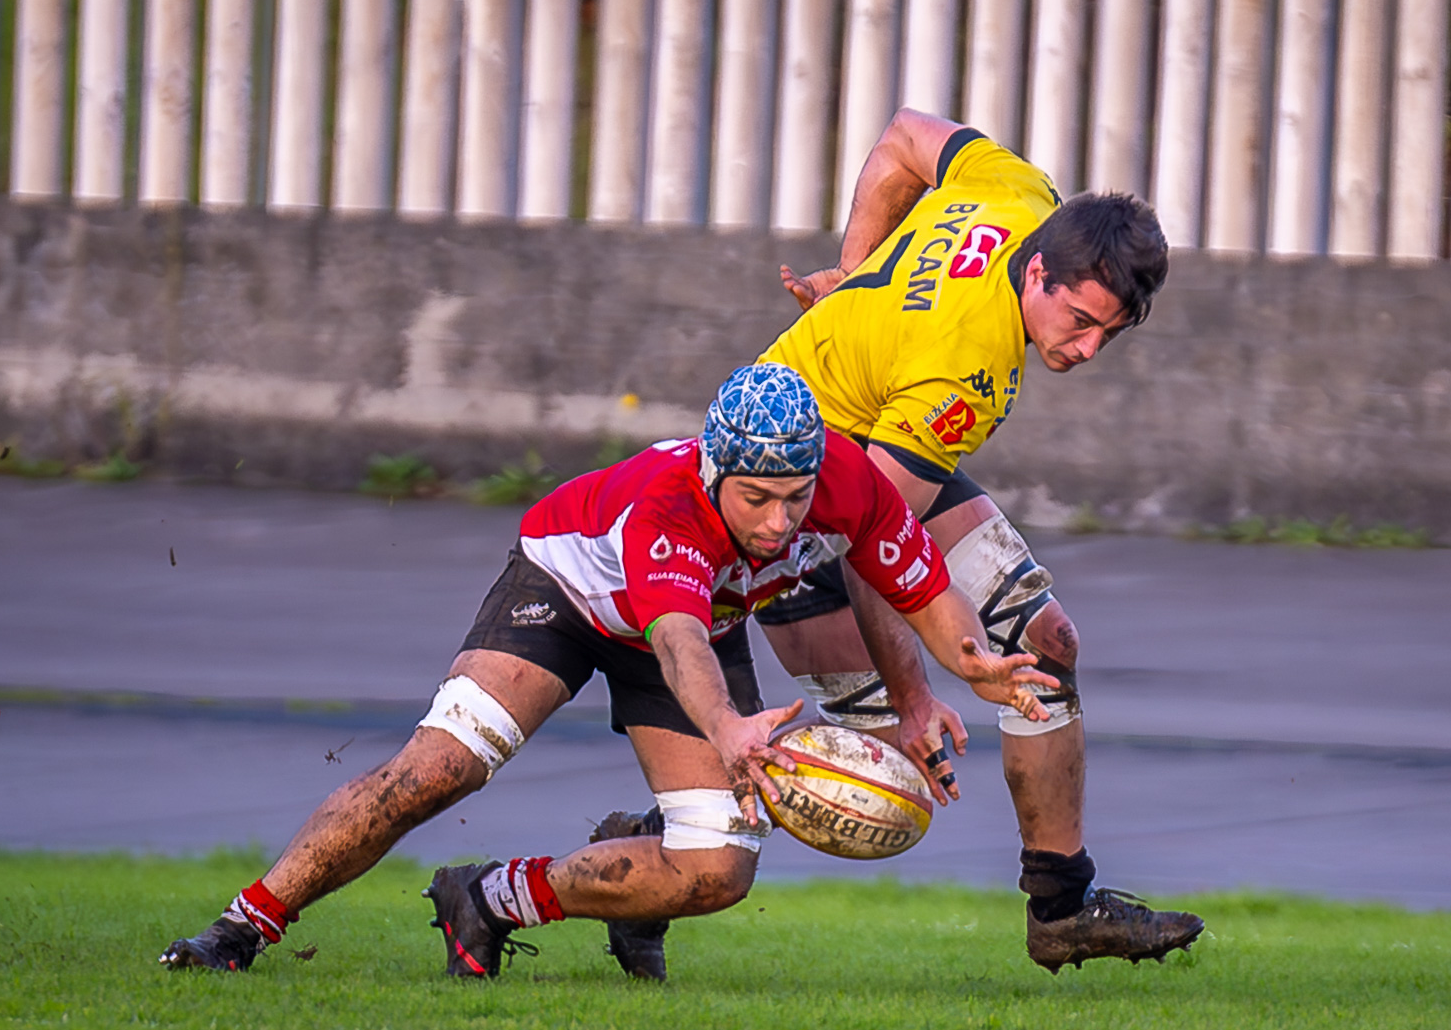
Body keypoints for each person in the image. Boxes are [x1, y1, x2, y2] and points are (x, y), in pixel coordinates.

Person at [159, 364, 1058, 979]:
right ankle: (242, 927)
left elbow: (916, 586)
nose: (783, 523)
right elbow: (677, 644)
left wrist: (970, 671)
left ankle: (487, 897)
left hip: (693, 624)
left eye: (795, 498)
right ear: (714, 470)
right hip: (571, 591)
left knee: (716, 870)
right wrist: (733, 732)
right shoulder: (667, 507)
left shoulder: (847, 482)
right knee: (438, 770)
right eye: (757, 499)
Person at [602, 109, 1202, 976]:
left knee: (1047, 643)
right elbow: (874, 543)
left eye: (1109, 331)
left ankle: (1063, 909)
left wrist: (856, 274)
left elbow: (903, 136)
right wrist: (915, 695)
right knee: (881, 778)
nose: (1088, 348)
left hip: (880, 443)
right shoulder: (969, 370)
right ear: (1038, 268)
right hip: (795, 510)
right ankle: (653, 854)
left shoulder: (1016, 190)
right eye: (1078, 321)